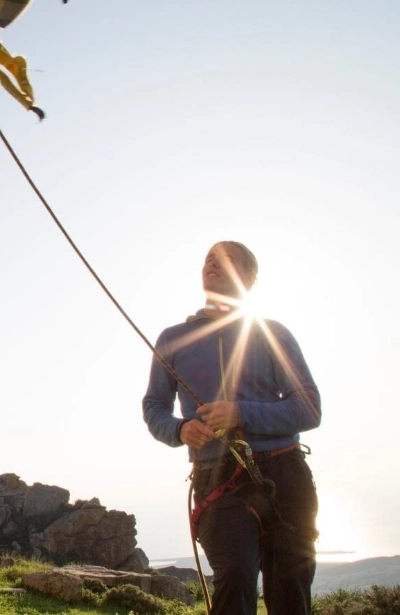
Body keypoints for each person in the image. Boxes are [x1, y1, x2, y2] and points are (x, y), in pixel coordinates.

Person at [142, 242, 321, 615]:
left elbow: (308, 408)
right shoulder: (173, 339)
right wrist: (179, 430)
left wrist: (241, 413)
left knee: (291, 591)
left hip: (285, 476)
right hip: (217, 478)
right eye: (208, 258)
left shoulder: (272, 333)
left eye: (225, 259)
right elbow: (154, 406)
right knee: (236, 577)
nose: (211, 263)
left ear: (249, 278)